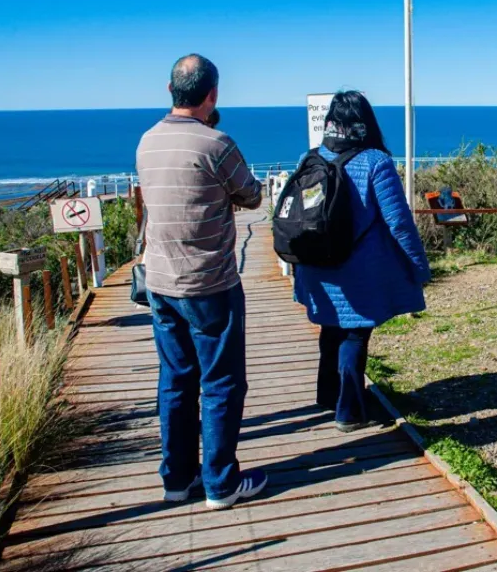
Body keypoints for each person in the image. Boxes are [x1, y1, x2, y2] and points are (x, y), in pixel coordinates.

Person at [135, 54, 267, 509]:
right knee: (222, 382)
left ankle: (176, 479)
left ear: (170, 90)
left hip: (160, 282)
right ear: (212, 95)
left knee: (175, 380)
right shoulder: (217, 143)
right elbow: (251, 195)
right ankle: (221, 484)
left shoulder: (147, 142)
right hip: (210, 283)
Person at [294, 91, 430, 432]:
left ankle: (328, 395)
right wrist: (418, 265)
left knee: (330, 330)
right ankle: (349, 411)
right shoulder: (375, 163)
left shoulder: (310, 158)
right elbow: (399, 223)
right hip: (358, 272)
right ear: (366, 122)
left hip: (316, 268)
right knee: (355, 335)